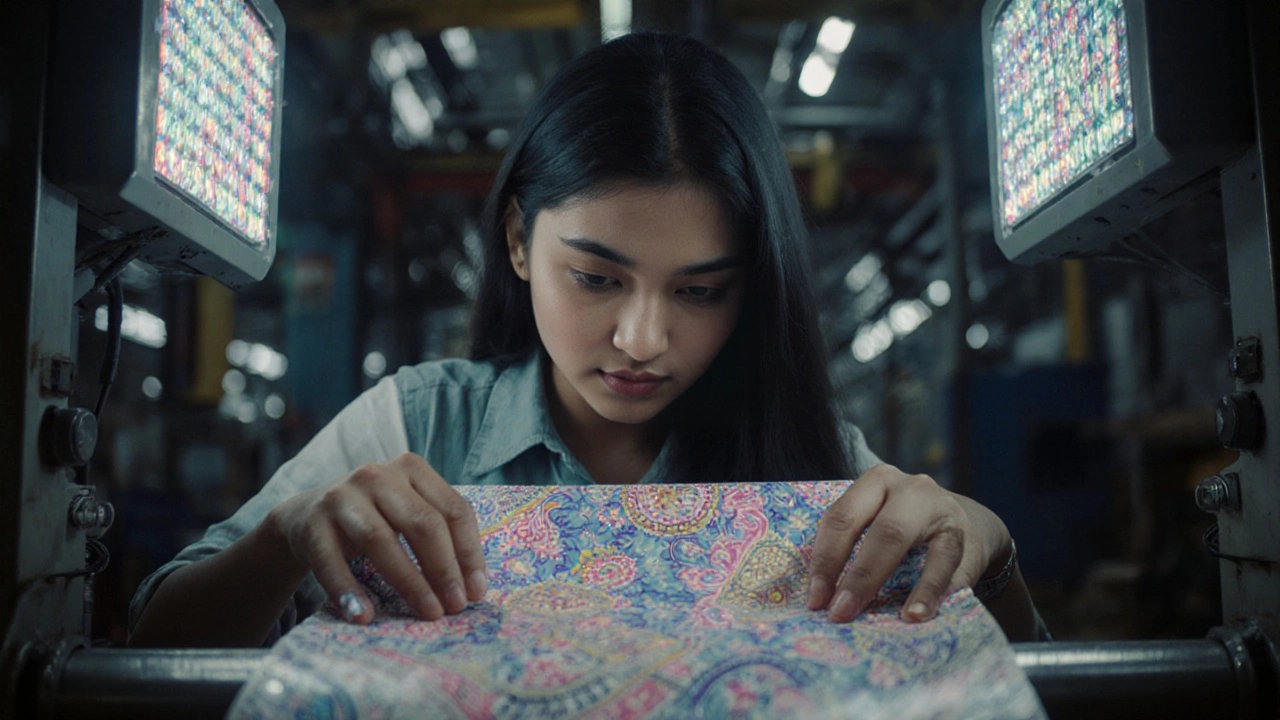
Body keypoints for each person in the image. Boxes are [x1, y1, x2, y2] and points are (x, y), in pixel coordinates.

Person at [129, 32, 1042, 648]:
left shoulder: (815, 460)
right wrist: (286, 538)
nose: (643, 339)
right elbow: (153, 643)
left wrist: (987, 545)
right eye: (597, 278)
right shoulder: (418, 425)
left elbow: (997, 673)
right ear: (521, 241)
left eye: (701, 290)